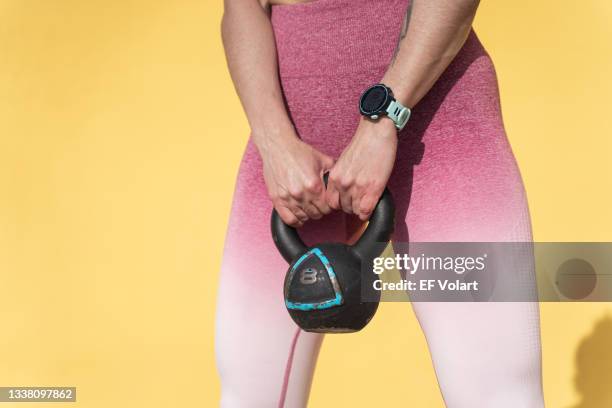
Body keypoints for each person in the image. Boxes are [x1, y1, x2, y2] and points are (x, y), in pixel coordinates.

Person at [216, 0, 545, 406]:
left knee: (498, 388)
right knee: (249, 390)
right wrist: (274, 144)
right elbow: (242, 7)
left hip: (439, 130)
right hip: (293, 153)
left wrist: (383, 121)